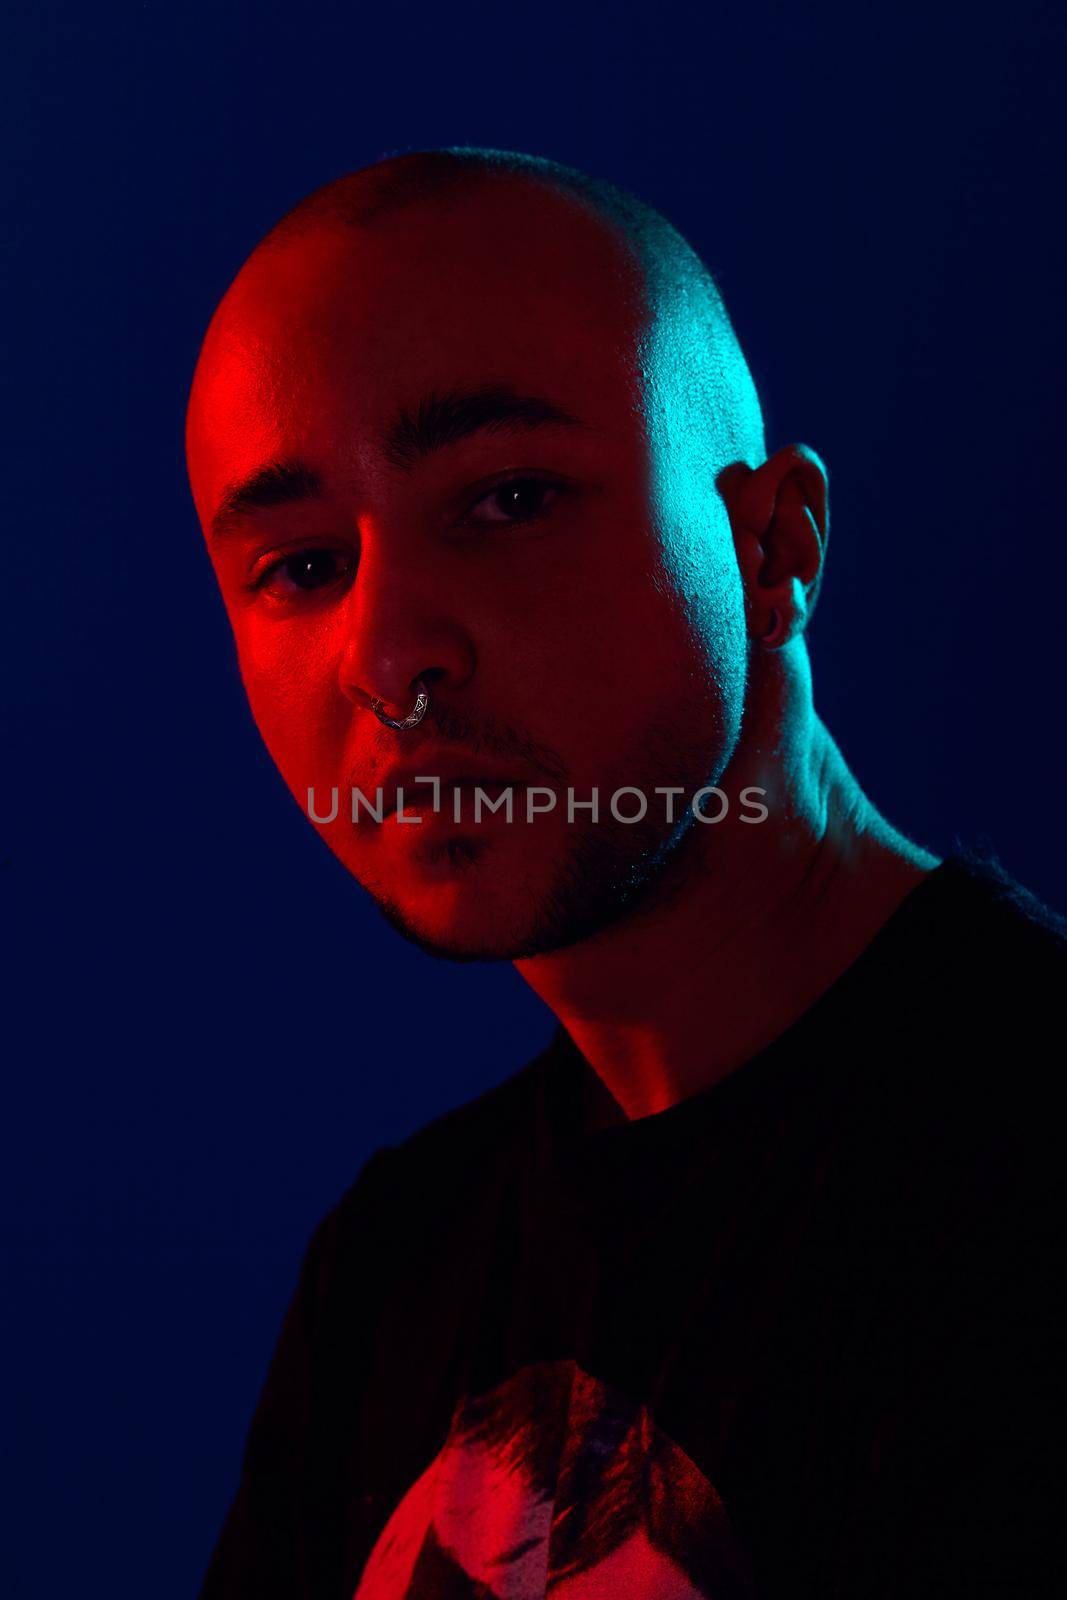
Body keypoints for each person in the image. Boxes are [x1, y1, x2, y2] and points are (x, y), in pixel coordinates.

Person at [185, 148, 1065, 1598]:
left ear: (773, 545)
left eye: (511, 498)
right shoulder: (394, 1271)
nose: (390, 655)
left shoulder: (1023, 1178)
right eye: (296, 566)